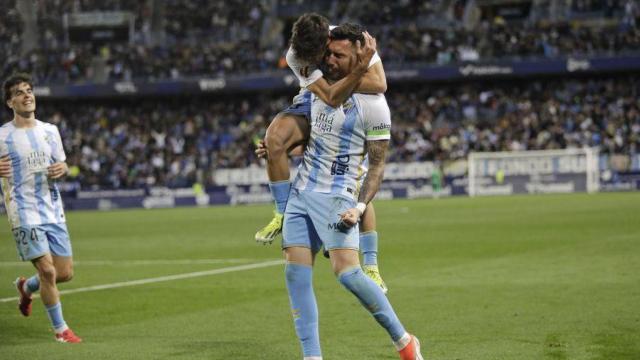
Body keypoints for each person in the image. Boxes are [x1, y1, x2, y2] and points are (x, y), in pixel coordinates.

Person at [281, 25, 423, 359]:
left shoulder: (374, 106)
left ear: (360, 56)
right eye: (329, 53)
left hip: (338, 194)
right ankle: (312, 357)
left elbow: (376, 166)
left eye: (338, 55)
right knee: (295, 273)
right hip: (301, 192)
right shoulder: (318, 84)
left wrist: (360, 208)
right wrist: (281, 144)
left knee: (347, 274)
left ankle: (404, 341)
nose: (329, 60)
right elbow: (311, 131)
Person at [254, 13, 388, 292]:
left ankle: (372, 265)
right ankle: (282, 212)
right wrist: (350, 72)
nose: (314, 61)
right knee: (275, 140)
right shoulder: (296, 55)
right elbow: (328, 95)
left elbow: (379, 83)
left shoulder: (355, 40)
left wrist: (345, 72)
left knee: (355, 178)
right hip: (316, 99)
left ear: (327, 40)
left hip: (356, 105)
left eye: (317, 54)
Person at [1, 73, 82, 343]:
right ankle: (61, 331)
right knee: (48, 271)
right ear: (10, 102)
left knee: (64, 273)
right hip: (23, 212)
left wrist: (64, 169)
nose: (27, 95)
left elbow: (62, 165)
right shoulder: (2, 136)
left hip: (52, 209)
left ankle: (26, 286)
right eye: (19, 93)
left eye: (29, 90)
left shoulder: (50, 131)